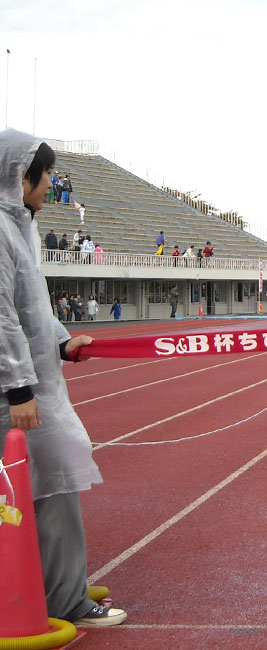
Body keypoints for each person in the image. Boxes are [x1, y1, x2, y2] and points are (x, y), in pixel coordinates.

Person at [0, 129, 127, 627]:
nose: (53, 184)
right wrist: (19, 388)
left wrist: (59, 341)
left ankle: (50, 584)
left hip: (32, 381)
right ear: (20, 175)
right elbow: (3, 316)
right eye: (46, 173)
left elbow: (33, 307)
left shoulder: (22, 226)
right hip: (19, 392)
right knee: (53, 486)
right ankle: (65, 600)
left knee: (36, 489)